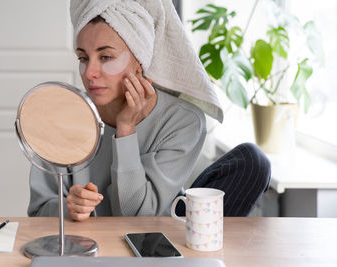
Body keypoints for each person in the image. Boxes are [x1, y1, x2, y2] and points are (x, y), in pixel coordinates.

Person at [27, 0, 271, 221]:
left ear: (140, 62)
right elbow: (38, 212)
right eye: (83, 58)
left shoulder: (183, 121)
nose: (90, 73)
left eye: (106, 57)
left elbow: (136, 217)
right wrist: (67, 208)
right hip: (89, 246)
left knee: (253, 161)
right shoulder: (62, 114)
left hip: (156, 237)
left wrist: (125, 130)